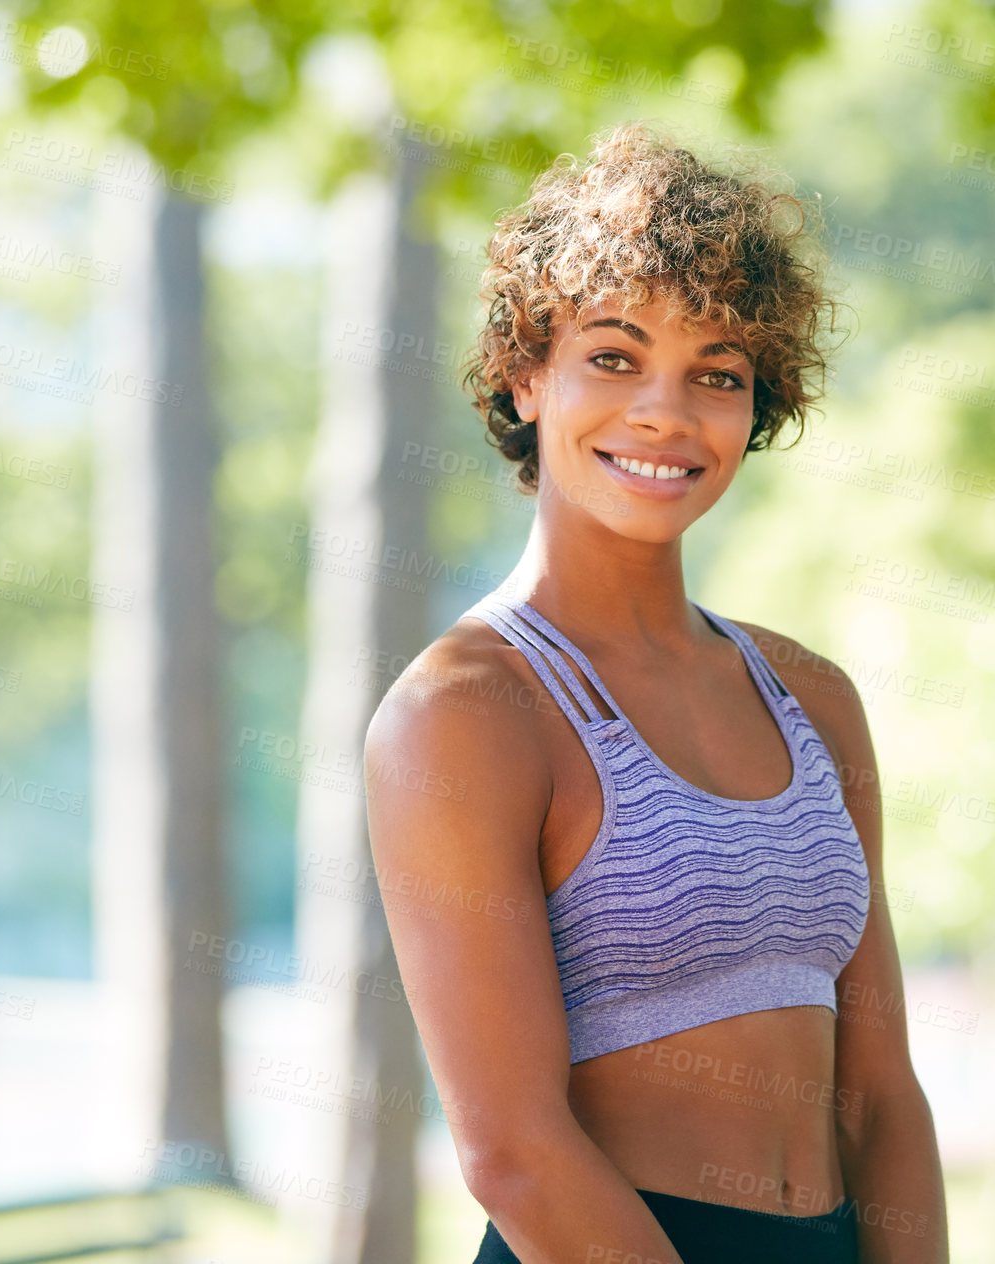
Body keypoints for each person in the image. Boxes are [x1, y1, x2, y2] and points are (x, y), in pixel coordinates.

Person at [362, 121, 949, 1264]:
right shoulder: (465, 712)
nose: (665, 415)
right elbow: (514, 1152)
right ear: (526, 377)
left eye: (716, 375)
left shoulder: (811, 697)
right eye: (615, 357)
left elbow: (882, 1094)